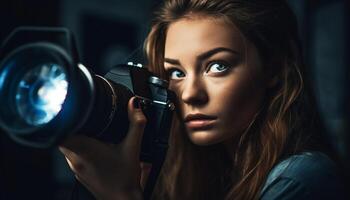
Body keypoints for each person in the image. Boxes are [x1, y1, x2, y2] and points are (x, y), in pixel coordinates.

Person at [59, 0, 347, 199]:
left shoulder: (302, 179)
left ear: (272, 67)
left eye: (217, 66)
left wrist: (121, 196)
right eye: (176, 72)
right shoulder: (202, 175)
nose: (190, 94)